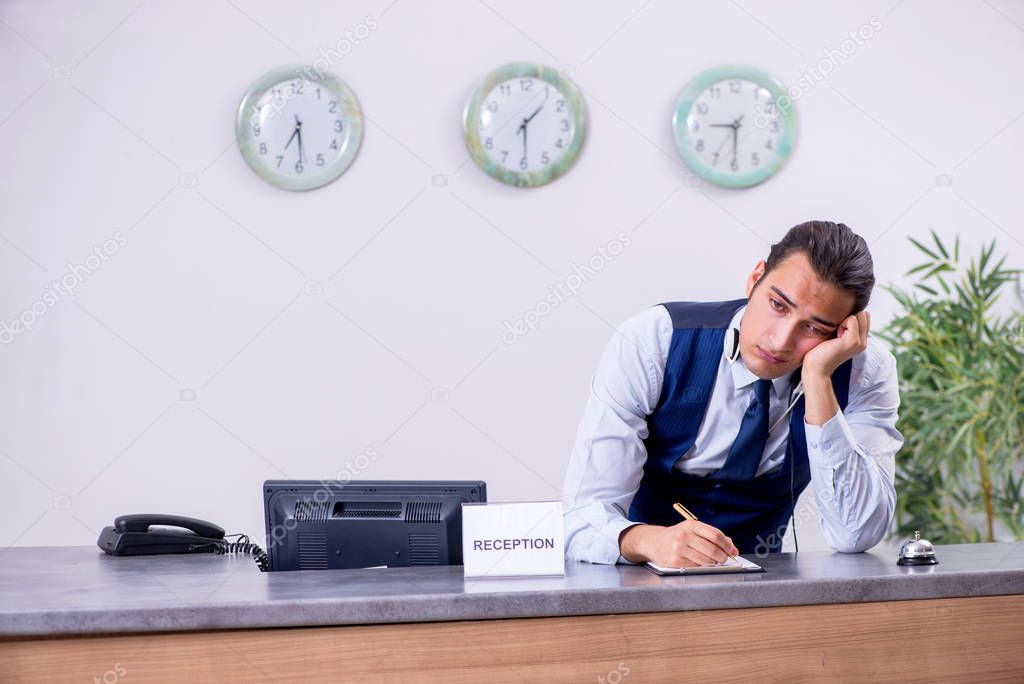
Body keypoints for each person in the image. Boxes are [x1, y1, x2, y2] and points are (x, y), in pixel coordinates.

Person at [562, 221, 902, 567]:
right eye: (777, 304)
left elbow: (856, 533)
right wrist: (649, 540)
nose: (780, 341)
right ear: (755, 278)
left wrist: (818, 379)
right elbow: (582, 518)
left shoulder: (864, 373)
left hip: (764, 591)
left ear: (842, 331)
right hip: (635, 583)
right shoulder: (653, 343)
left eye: (814, 327)